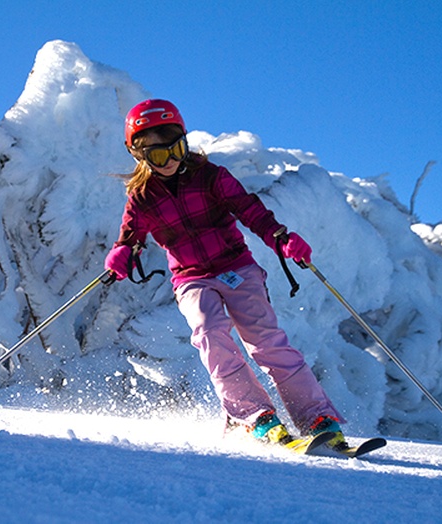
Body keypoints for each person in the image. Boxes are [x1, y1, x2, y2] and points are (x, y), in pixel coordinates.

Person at [104, 99, 347, 452]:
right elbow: (131, 238)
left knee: (266, 341)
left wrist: (281, 239)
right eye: (157, 155)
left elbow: (250, 211)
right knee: (210, 333)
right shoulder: (141, 198)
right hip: (191, 278)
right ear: (138, 155)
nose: (169, 160)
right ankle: (256, 418)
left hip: (236, 267)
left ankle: (317, 418)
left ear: (185, 142)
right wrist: (124, 254)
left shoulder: (210, 176)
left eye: (175, 148)